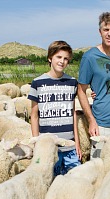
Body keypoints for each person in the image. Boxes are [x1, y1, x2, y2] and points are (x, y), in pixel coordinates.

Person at [77, 11, 110, 158]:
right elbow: (81, 91)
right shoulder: (89, 57)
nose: (109, 34)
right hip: (101, 125)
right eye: (106, 30)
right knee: (99, 167)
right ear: (99, 32)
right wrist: (91, 120)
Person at [28, 40, 82, 175]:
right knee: (49, 182)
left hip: (69, 147)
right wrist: (36, 144)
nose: (62, 61)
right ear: (50, 57)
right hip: (48, 147)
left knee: (74, 182)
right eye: (59, 57)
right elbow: (34, 116)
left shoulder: (72, 82)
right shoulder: (37, 83)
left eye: (66, 59)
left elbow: (73, 113)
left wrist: (77, 143)